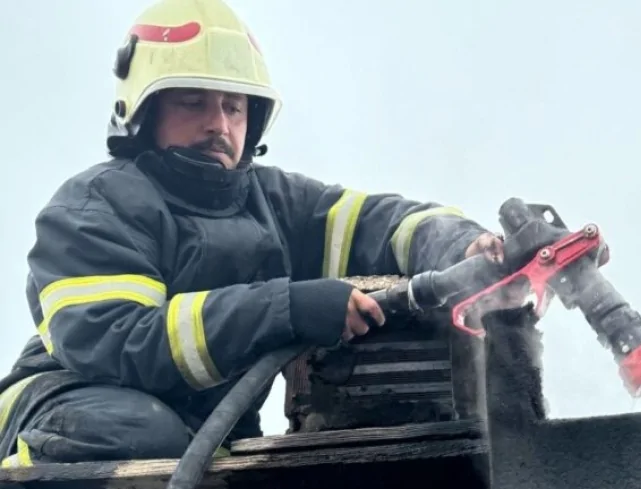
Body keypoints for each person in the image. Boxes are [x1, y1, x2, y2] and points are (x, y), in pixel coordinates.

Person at [0, 0, 505, 467]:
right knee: (143, 435)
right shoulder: (94, 205)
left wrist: (465, 246)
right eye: (193, 102)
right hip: (61, 402)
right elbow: (121, 341)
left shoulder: (277, 202)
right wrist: (288, 308)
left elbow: (385, 222)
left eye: (234, 107)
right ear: (143, 112)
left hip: (203, 437)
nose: (218, 124)